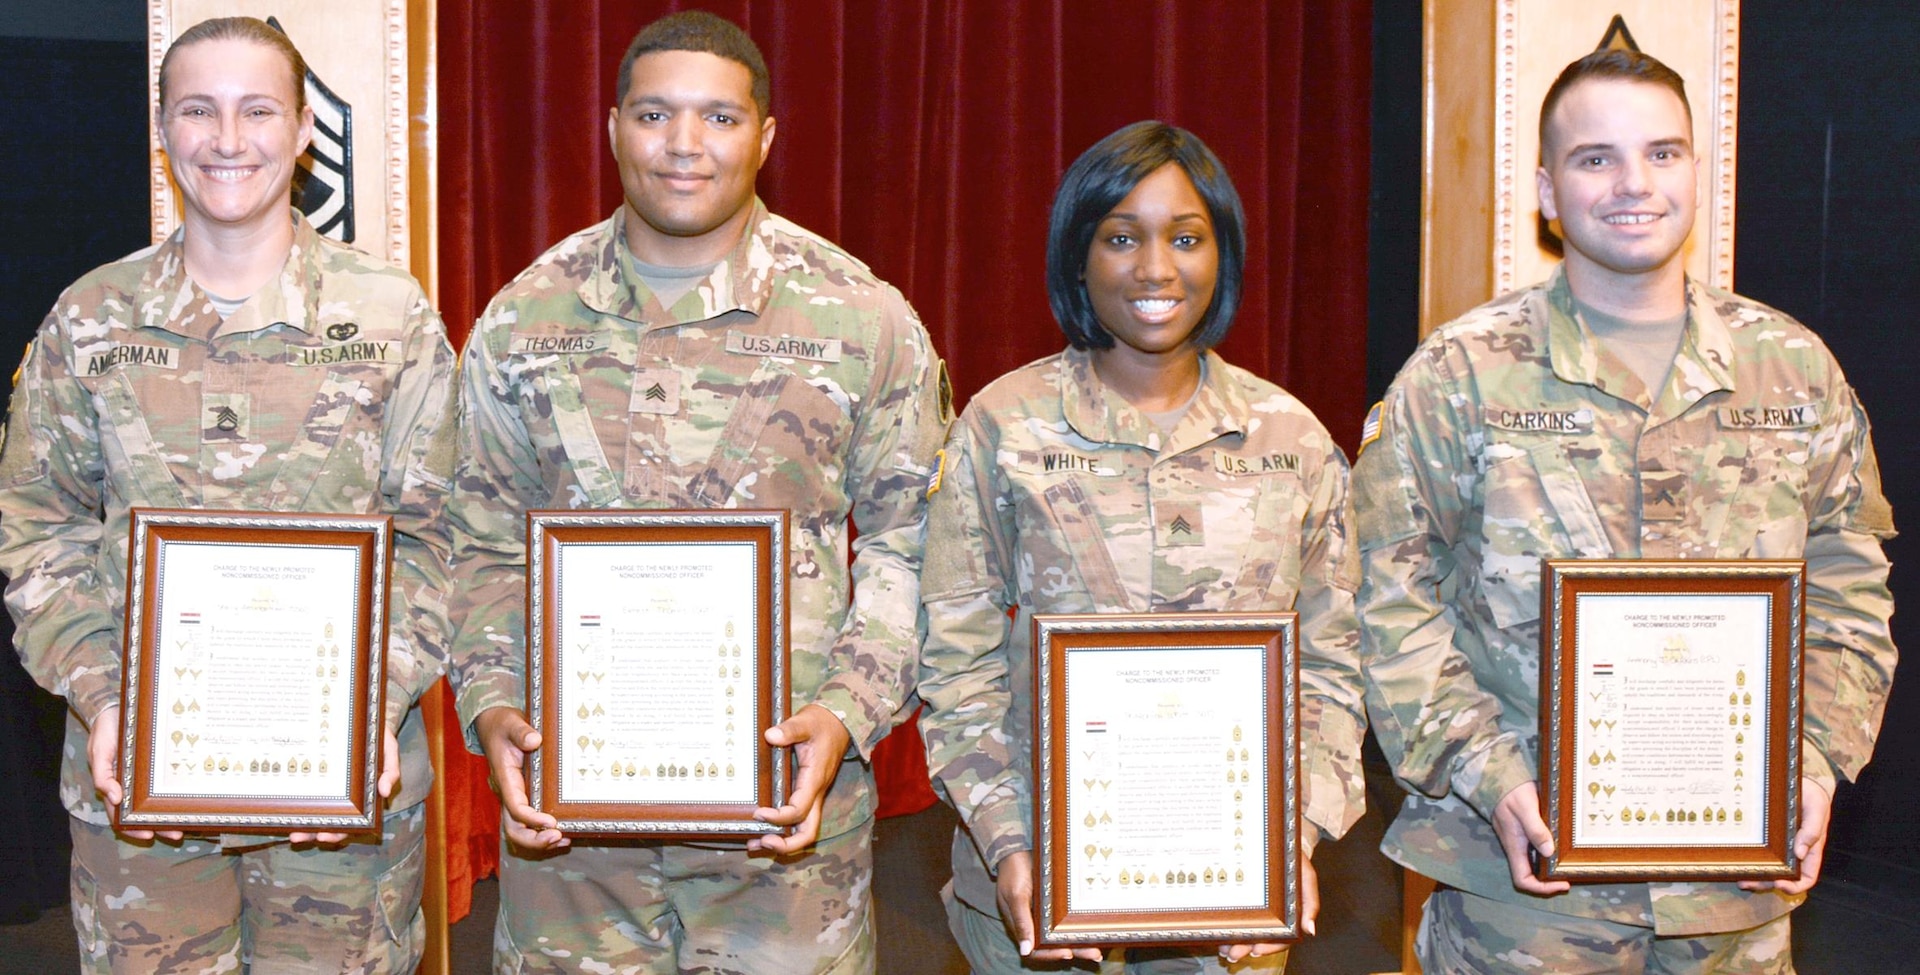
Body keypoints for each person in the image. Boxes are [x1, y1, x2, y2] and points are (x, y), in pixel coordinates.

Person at [1355, 47, 1897, 974]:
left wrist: (1814, 755)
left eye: (1662, 153)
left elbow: (1849, 585)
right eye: (1595, 158)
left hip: (1732, 888)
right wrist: (1489, 771)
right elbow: (1386, 600)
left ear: (1696, 172)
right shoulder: (1459, 375)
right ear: (1548, 192)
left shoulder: (1794, 370)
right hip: (1524, 888)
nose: (1633, 183)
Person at [443, 10, 949, 973]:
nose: (683, 146)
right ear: (612, 128)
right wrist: (496, 702)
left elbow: (911, 542)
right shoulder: (524, 318)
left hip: (783, 822)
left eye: (718, 118)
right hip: (573, 836)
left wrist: (848, 708)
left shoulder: (862, 318)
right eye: (654, 114)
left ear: (764, 137)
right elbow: (478, 540)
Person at [0, 15, 456, 972]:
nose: (228, 138)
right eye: (198, 110)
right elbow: (36, 531)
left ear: (302, 133)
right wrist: (105, 693)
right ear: (163, 129)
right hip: (142, 789)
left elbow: (443, 535)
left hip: (345, 788)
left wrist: (371, 699)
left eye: (258, 110)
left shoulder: (392, 318)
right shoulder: (90, 319)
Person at [917, 121, 1368, 974]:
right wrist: (1011, 846)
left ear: (1221, 255)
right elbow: (955, 665)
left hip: (1230, 893)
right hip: (1037, 889)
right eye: (1121, 237)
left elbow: (1333, 667)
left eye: (1186, 238)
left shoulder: (1294, 440)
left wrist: (1295, 835)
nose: (1156, 269)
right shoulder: (1001, 426)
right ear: (1077, 256)